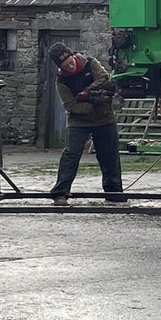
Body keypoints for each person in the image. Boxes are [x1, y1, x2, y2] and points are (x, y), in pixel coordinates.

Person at [46, 42, 125, 204]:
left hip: (104, 117)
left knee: (109, 154)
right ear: (59, 65)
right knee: (72, 154)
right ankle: (60, 192)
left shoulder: (90, 63)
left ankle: (114, 192)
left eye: (70, 58)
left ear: (72, 55)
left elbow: (104, 77)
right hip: (79, 121)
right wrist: (91, 104)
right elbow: (71, 105)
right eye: (64, 63)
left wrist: (87, 92)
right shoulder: (62, 81)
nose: (69, 63)